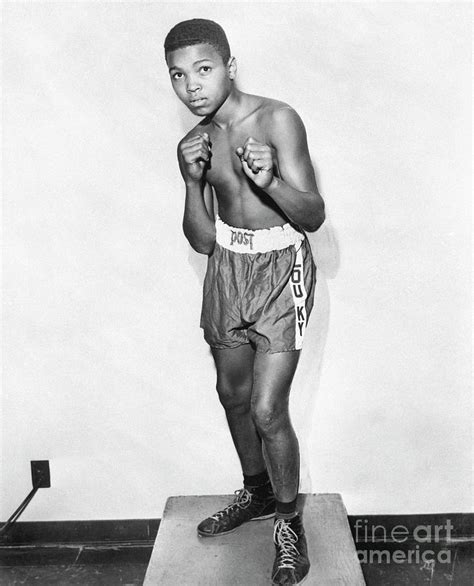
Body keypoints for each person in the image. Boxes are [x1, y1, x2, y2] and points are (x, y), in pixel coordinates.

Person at [164, 18, 325, 586]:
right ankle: (255, 492)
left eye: (203, 70)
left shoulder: (277, 119)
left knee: (266, 409)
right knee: (231, 394)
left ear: (229, 67)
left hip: (283, 271)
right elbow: (203, 239)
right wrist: (189, 180)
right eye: (179, 76)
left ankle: (288, 523)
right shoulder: (197, 140)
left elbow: (312, 215)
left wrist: (272, 182)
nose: (193, 86)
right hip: (226, 268)